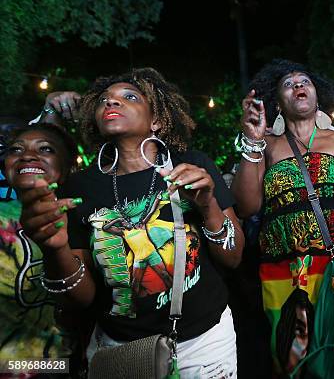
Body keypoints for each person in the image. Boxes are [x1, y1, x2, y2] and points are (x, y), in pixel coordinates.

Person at [18, 68, 245, 377]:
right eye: (104, 101)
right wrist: (54, 248)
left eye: (129, 97)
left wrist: (209, 207)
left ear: (156, 120)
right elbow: (81, 298)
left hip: (203, 343)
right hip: (121, 349)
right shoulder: (81, 187)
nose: (112, 102)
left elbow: (233, 258)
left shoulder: (192, 166)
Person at [231, 59, 334, 375]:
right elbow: (247, 207)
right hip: (281, 270)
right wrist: (253, 142)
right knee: (291, 360)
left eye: (305, 82)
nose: (299, 86)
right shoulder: (267, 146)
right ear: (278, 103)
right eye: (289, 84)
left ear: (316, 95)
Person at [1, 123, 78, 364]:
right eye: (16, 150)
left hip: (61, 365)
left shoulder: (87, 220)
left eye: (45, 149)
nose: (27, 155)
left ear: (67, 169)